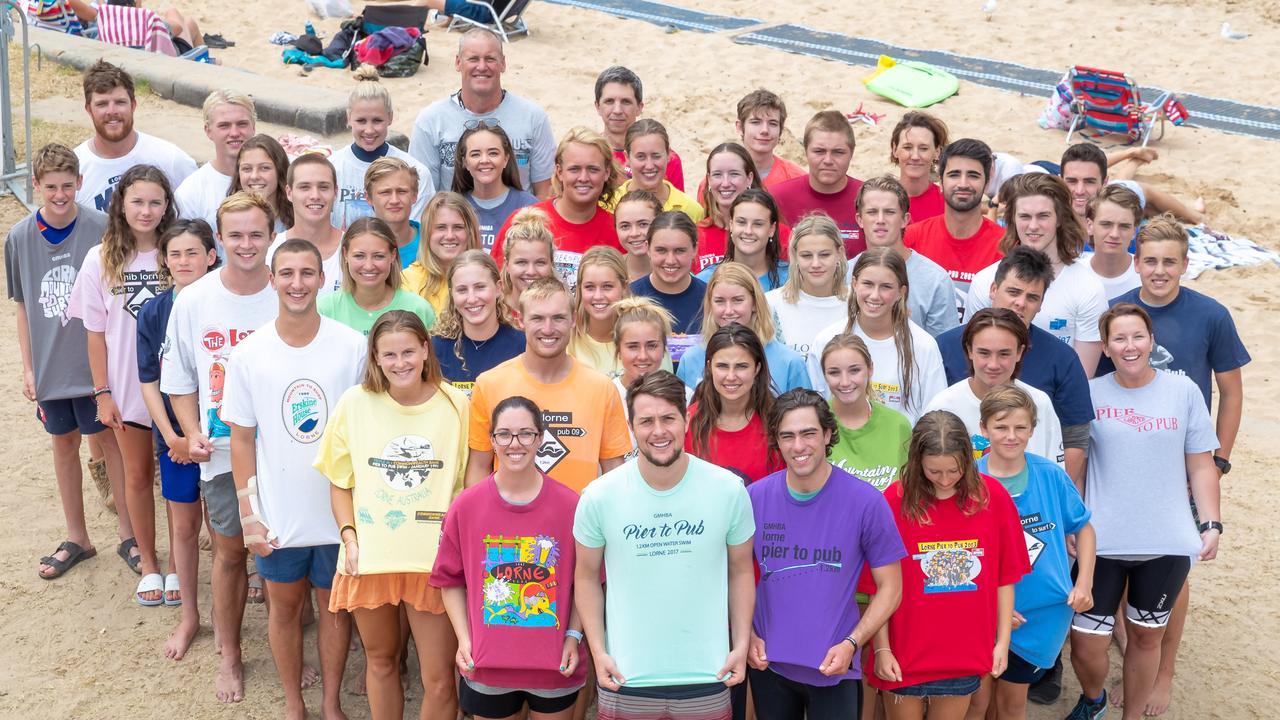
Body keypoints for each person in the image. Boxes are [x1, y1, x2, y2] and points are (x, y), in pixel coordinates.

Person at [1100, 216, 1248, 716]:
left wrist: (1218, 459)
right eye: (1151, 261)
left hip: (1183, 457)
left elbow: (1230, 391)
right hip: (1131, 455)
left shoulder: (1210, 315)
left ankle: (1163, 670)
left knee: (1172, 568)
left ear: (1186, 264)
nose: (1159, 271)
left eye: (1170, 262)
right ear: (1136, 262)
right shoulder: (1119, 314)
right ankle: (1131, 640)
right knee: (1123, 552)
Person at [222, 238, 364, 720]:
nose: (297, 283)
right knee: (283, 610)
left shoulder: (351, 347)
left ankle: (329, 704)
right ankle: (293, 703)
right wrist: (249, 514)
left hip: (337, 513)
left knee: (333, 610)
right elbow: (241, 440)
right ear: (271, 279)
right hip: (279, 515)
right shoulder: (248, 354)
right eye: (287, 274)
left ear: (322, 280)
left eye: (307, 273)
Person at [1066, 303, 1222, 720]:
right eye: (1119, 338)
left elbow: (1200, 462)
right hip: (1102, 542)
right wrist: (1070, 521)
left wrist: (1211, 523)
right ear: (1105, 346)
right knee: (1086, 645)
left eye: (1138, 336)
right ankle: (1094, 696)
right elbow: (1076, 464)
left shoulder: (1183, 390)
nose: (1130, 346)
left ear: (1151, 340)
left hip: (1166, 541)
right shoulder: (1092, 394)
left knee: (1145, 638)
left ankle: (1131, 716)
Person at [315, 310, 470, 720]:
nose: (399, 363)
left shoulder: (457, 405)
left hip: (433, 562)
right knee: (380, 660)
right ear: (375, 358)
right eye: (389, 354)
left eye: (407, 352)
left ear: (425, 350)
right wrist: (349, 537)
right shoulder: (355, 403)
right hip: (370, 558)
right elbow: (339, 482)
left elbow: (468, 488)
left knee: (438, 678)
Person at [574, 370, 755, 720]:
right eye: (646, 421)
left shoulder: (728, 489)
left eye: (668, 418)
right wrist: (599, 651)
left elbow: (742, 571)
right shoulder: (599, 496)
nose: (658, 431)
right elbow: (585, 578)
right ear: (631, 426)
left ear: (686, 419)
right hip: (626, 675)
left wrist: (741, 644)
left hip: (708, 673)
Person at [161, 191, 281, 704]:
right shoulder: (194, 300)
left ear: (272, 237)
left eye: (257, 234)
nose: (247, 244)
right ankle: (230, 655)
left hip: (286, 451)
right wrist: (190, 432)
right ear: (218, 241)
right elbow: (179, 378)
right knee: (231, 553)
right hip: (225, 452)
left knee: (285, 554)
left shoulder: (289, 289)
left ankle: (286, 654)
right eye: (235, 235)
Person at [747, 388, 906, 720]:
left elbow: (891, 587)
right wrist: (746, 635)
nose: (798, 446)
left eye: (808, 433)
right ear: (776, 440)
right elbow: (731, 575)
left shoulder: (865, 501)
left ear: (828, 434)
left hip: (835, 667)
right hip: (768, 666)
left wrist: (853, 642)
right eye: (787, 436)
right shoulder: (753, 498)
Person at [6, 143, 126, 580]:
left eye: (68, 186)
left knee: (110, 444)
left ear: (79, 183)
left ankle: (128, 535)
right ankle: (78, 536)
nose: (60, 194)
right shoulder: (19, 237)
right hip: (52, 368)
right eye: (51, 186)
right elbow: (22, 306)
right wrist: (28, 367)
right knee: (63, 445)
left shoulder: (100, 228)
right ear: (35, 185)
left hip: (94, 364)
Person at [867, 410, 1029, 718]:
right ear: (917, 463)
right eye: (933, 471)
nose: (944, 480)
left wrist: (1002, 643)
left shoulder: (993, 497)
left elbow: (1003, 579)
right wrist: (881, 648)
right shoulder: (893, 500)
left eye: (953, 471)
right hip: (904, 653)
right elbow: (879, 588)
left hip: (964, 653)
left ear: (968, 461)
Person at [433, 396, 587, 720]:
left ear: (540, 438)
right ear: (491, 440)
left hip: (553, 667)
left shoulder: (571, 506)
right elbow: (450, 581)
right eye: (504, 434)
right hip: (488, 668)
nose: (514, 443)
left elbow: (585, 583)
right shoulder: (466, 506)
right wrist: (464, 639)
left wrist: (573, 636)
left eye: (525, 433)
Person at [69, 164, 171, 604]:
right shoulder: (101, 257)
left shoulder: (178, 251)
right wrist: (103, 392)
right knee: (137, 475)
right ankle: (149, 561)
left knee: (183, 479)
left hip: (176, 387)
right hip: (127, 386)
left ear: (167, 205)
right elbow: (95, 333)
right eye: (137, 202)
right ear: (120, 205)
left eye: (155, 202)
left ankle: (181, 566)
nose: (146, 211)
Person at [963, 385, 1095, 720]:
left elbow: (1084, 527)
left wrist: (1084, 584)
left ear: (1032, 430)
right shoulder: (969, 481)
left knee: (1011, 704)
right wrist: (993, 606)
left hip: (1042, 614)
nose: (1011, 436)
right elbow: (962, 553)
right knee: (976, 702)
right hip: (983, 613)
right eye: (1001, 427)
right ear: (983, 429)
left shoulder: (1050, 475)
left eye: (1020, 428)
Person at [936, 247, 1093, 485]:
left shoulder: (1062, 359)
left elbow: (1075, 439)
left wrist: (1052, 493)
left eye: (1032, 297)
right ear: (993, 290)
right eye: (1013, 292)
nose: (1020, 303)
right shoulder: (945, 347)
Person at [137, 219, 219, 656]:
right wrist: (172, 436)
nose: (184, 261)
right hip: (176, 441)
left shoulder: (227, 303)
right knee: (184, 525)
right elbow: (149, 380)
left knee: (226, 527)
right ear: (164, 261)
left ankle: (234, 610)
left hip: (226, 437)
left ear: (211, 254)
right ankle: (190, 616)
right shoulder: (153, 311)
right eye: (175, 254)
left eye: (193, 253)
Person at [465, 277, 631, 493]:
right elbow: (478, 467)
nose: (548, 328)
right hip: (510, 524)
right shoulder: (490, 385)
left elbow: (614, 472)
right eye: (537, 318)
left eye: (558, 318)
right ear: (521, 320)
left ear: (573, 319)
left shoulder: (601, 388)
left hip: (578, 522)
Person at [966, 173, 1107, 376]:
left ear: (1059, 219)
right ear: (1012, 220)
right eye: (1024, 216)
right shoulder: (985, 280)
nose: (1033, 226)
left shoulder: (1088, 288)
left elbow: (1082, 378)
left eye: (1043, 216)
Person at [409, 27, 555, 197]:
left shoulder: (533, 117)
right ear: (458, 63)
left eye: (490, 59)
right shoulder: (430, 120)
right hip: (455, 221)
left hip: (518, 220)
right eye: (473, 59)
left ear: (503, 63)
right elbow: (423, 194)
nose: (482, 66)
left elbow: (544, 191)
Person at [808, 249, 948, 422]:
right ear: (854, 284)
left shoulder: (923, 346)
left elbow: (935, 415)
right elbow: (815, 410)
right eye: (867, 284)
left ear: (901, 292)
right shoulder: (826, 340)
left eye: (886, 287)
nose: (875, 295)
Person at [923, 308, 1064, 466]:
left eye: (1004, 354)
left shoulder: (1040, 403)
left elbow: (1054, 478)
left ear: (1019, 352)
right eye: (984, 353)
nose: (993, 364)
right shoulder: (942, 405)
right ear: (969, 350)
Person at [492, 127, 625, 289]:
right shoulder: (524, 221)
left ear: (606, 173)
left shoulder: (618, 231)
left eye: (593, 169)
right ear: (559, 172)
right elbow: (495, 285)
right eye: (574, 169)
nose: (583, 178)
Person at [75, 60, 195, 213]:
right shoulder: (75, 167)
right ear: (88, 109)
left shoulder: (171, 160)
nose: (111, 111)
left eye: (120, 102)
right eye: (102, 104)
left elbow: (195, 221)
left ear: (133, 105)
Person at [678, 262, 809, 394]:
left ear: (754, 303)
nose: (728, 311)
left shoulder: (789, 362)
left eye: (737, 300)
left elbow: (806, 412)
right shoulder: (691, 360)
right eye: (720, 301)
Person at [903, 138, 1004, 308]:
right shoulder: (911, 238)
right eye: (954, 174)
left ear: (986, 184)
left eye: (973, 175)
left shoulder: (1006, 245)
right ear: (940, 183)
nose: (963, 184)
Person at [331, 67, 435, 231]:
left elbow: (417, 232)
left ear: (390, 118)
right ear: (348, 118)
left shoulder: (416, 173)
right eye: (361, 121)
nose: (370, 130)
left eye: (377, 120)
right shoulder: (332, 168)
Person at [855, 175, 957, 337]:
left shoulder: (935, 280)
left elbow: (943, 348)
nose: (880, 220)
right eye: (872, 212)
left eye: (889, 212)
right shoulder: (844, 273)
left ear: (905, 220)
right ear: (859, 220)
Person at [685, 323, 783, 482]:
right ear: (709, 367)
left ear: (757, 368)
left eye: (741, 366)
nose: (731, 376)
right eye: (722, 366)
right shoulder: (687, 423)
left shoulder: (779, 422)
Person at [819, 334, 912, 492]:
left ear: (870, 369)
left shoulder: (898, 425)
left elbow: (907, 492)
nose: (845, 382)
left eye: (854, 370)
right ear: (825, 376)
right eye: (834, 372)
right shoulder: (815, 423)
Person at [319, 217, 435, 335]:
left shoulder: (419, 309)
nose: (369, 266)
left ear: (393, 255)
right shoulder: (324, 310)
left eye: (378, 256)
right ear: (345, 254)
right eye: (359, 256)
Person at [432, 250, 526, 395]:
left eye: (480, 287)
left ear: (498, 288)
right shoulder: (437, 348)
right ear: (452, 294)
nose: (472, 299)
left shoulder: (522, 346)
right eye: (462, 290)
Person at [771, 110, 864, 257]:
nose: (828, 160)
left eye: (838, 152)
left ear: (851, 153)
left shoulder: (868, 199)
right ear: (806, 151)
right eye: (819, 151)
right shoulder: (777, 197)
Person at [766, 213, 849, 363]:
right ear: (795, 256)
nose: (816, 264)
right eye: (806, 256)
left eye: (824, 255)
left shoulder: (858, 303)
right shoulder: (771, 303)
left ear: (839, 253)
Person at [629, 211, 707, 367]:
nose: (670, 260)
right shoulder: (630, 298)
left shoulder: (711, 298)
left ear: (695, 250)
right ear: (647, 248)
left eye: (679, 251)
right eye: (661, 250)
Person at [1059, 143, 1205, 225]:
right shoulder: (1049, 202)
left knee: (1195, 219)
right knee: (1150, 212)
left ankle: (1195, 212)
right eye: (1071, 181)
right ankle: (1135, 160)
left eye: (1089, 181)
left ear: (1104, 183)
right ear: (1060, 180)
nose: (1079, 190)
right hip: (1110, 193)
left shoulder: (1119, 199)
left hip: (1135, 192)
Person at [696, 143, 786, 274]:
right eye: (717, 174)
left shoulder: (778, 233)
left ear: (749, 178)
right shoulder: (696, 235)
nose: (725, 183)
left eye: (734, 174)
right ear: (708, 179)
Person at [174, 91, 256, 230]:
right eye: (224, 126)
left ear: (253, 127)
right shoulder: (191, 192)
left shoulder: (280, 175)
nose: (235, 133)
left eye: (242, 124)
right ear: (208, 130)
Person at [594, 65, 684, 190]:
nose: (617, 110)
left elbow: (678, 206)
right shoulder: (589, 155)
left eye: (626, 102)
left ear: (639, 108)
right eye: (609, 101)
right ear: (597, 106)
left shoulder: (667, 160)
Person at [453, 124, 538, 251]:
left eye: (493, 153)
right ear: (465, 162)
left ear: (506, 159)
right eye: (475, 154)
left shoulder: (528, 207)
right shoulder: (454, 206)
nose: (484, 160)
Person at [270, 154, 344, 295]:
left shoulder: (352, 251)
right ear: (289, 192)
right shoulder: (269, 252)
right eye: (304, 187)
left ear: (335, 192)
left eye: (323, 187)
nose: (315, 195)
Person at [610, 297, 682, 429]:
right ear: (618, 350)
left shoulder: (683, 395)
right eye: (633, 347)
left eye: (651, 346)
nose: (643, 356)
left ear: (664, 348)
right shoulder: (606, 396)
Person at [404, 192, 483, 313]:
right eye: (441, 227)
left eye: (458, 227)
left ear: (470, 233)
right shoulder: (407, 281)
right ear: (427, 233)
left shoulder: (487, 277)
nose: (450, 236)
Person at [610, 119, 702, 221]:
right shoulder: (609, 205)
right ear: (627, 158)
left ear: (668, 154)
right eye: (641, 157)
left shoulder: (691, 210)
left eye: (656, 156)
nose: (649, 166)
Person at [697, 189, 789, 291]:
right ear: (731, 225)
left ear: (772, 229)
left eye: (758, 224)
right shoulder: (704, 282)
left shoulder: (792, 279)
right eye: (741, 222)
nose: (748, 231)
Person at [567, 246, 631, 378]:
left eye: (607, 286)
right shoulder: (565, 340)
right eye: (589, 287)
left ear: (624, 287)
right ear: (580, 288)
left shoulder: (646, 336)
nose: (598, 296)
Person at [734, 88, 806, 188]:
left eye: (773, 123)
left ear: (781, 130)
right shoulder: (720, 178)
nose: (765, 130)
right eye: (756, 122)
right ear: (740, 127)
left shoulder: (797, 180)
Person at [362, 157, 425, 268]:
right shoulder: (356, 246)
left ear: (414, 195)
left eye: (402, 191)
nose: (394, 200)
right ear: (368, 198)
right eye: (385, 192)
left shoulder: (431, 243)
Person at [1081, 184, 1142, 300]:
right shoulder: (1072, 274)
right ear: (1089, 226)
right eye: (1106, 224)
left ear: (1134, 231)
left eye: (1124, 226)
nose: (1114, 234)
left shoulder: (1147, 276)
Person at [889, 111, 948, 222]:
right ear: (894, 149)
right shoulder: (879, 200)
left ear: (937, 152)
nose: (915, 156)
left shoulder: (948, 203)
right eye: (907, 147)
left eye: (923, 148)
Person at [497, 207, 556, 318]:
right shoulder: (492, 312)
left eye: (540, 262)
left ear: (551, 264)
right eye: (521, 262)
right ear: (507, 265)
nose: (531, 271)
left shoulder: (562, 311)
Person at [228, 134, 292, 233]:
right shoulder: (226, 219)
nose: (254, 176)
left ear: (280, 171)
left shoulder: (297, 221)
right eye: (247, 169)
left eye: (264, 168)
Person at [614, 188, 661, 281]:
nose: (634, 233)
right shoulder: (609, 271)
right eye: (625, 226)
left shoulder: (674, 270)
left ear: (660, 224)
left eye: (643, 224)